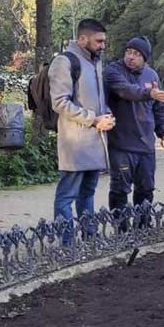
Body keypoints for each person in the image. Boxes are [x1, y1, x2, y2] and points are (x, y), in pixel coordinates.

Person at [50, 18, 114, 237]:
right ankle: (67, 243)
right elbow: (59, 102)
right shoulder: (65, 62)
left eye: (104, 41)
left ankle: (89, 237)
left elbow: (96, 98)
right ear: (82, 38)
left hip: (95, 140)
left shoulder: (95, 61)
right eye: (99, 41)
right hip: (75, 143)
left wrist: (106, 114)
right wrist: (94, 119)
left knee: (87, 193)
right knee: (67, 195)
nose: (103, 45)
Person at [103, 36, 164, 226]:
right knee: (120, 189)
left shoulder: (152, 76)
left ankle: (142, 226)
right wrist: (148, 93)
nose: (131, 57)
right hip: (121, 145)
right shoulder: (113, 71)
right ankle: (121, 229)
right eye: (128, 52)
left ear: (145, 58)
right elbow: (127, 90)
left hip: (146, 146)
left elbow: (158, 108)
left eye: (136, 54)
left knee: (146, 188)